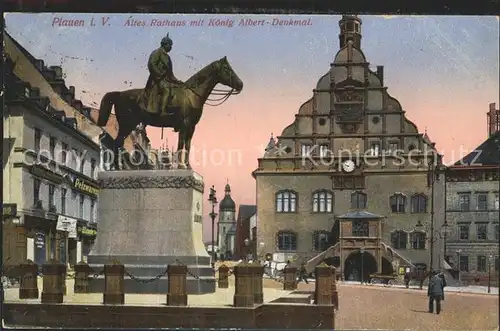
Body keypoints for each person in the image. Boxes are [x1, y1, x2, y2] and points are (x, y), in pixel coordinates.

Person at [144, 33, 183, 115]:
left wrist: (177, 81)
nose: (171, 47)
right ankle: (163, 111)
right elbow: (151, 64)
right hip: (156, 79)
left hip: (166, 80)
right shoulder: (157, 52)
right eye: (170, 45)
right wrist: (160, 74)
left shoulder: (168, 57)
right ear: (165, 44)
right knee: (167, 90)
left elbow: (170, 73)